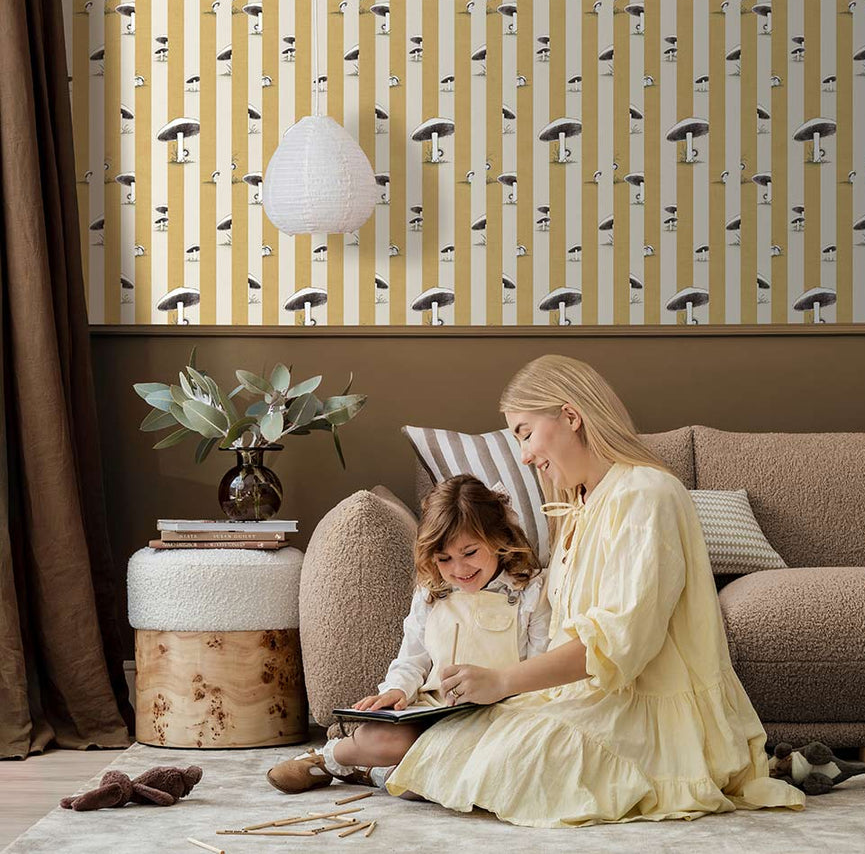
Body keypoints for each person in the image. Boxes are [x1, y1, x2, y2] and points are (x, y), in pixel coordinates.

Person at [384, 354, 807, 826]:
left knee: (514, 763)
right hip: (582, 696)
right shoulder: (579, 505)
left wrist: (503, 682)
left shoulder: (646, 494)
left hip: (647, 710)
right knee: (451, 743)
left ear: (570, 416)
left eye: (524, 432)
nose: (523, 455)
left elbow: (621, 641)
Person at [266, 475, 551, 794]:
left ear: (498, 539)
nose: (459, 569)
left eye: (470, 553)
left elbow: (541, 667)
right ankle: (329, 758)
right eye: (444, 559)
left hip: (502, 713)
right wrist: (398, 689)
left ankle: (377, 773)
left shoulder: (531, 593)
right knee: (389, 739)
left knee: (436, 779)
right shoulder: (432, 594)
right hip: (435, 709)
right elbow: (411, 660)